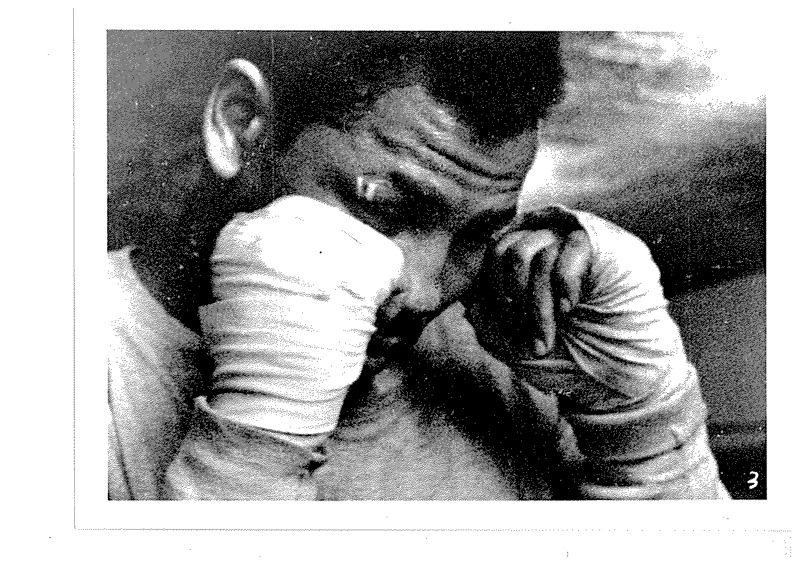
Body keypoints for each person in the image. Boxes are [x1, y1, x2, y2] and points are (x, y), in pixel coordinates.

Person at [108, 32, 728, 500]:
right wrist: (256, 446)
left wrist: (645, 424)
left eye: (477, 235)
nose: (427, 294)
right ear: (241, 124)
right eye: (383, 207)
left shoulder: (508, 361)